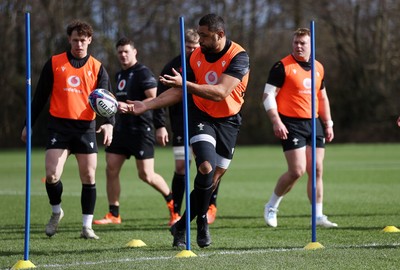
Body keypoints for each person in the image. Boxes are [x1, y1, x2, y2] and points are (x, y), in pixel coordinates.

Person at [121, 14, 250, 249]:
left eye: (204, 36)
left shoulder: (238, 57)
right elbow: (179, 92)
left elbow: (221, 92)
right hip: (201, 117)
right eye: (198, 35)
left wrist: (185, 84)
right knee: (205, 167)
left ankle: (180, 226)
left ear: (220, 35)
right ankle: (201, 221)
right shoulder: (195, 57)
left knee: (211, 180)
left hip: (229, 121)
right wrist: (145, 105)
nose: (199, 40)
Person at [20, 20, 114, 239]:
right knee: (52, 175)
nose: (79, 44)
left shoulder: (98, 67)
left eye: (83, 40)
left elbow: (109, 100)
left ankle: (86, 226)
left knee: (89, 175)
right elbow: (39, 97)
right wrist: (28, 124)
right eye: (75, 40)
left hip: (85, 128)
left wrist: (109, 123)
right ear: (69, 40)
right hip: (58, 127)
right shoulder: (54, 63)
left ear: (89, 40)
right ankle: (56, 212)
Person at [93, 37, 175, 226]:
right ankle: (114, 213)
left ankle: (173, 205)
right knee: (111, 167)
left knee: (146, 174)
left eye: (126, 51)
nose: (123, 55)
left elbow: (156, 100)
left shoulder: (143, 73)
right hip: (122, 129)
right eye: (120, 52)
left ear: (134, 52)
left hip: (141, 129)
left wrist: (160, 125)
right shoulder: (119, 75)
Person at [262, 28, 337, 228]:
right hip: (290, 123)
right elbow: (268, 96)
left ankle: (318, 215)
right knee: (297, 171)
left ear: (310, 45)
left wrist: (328, 122)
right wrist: (276, 121)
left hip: (313, 122)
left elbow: (322, 97)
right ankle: (271, 205)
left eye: (303, 43)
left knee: (317, 169)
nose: (299, 46)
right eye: (296, 42)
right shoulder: (282, 66)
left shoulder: (319, 67)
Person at [154, 29, 222, 226]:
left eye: (195, 47)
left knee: (210, 166)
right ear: (183, 46)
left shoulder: (208, 61)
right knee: (182, 167)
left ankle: (211, 205)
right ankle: (175, 211)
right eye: (188, 47)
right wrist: (160, 125)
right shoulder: (173, 66)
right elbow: (160, 97)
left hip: (206, 123)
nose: (192, 50)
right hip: (181, 125)